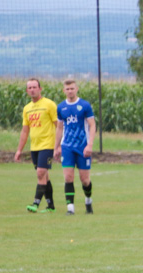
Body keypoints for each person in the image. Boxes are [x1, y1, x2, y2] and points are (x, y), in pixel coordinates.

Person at [15, 78, 58, 213]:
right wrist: (19, 150)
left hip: (48, 145)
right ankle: (51, 206)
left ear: (40, 89)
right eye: (30, 88)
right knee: (44, 176)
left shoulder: (49, 105)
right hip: (35, 147)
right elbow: (25, 130)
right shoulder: (27, 108)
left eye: (35, 87)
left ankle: (35, 203)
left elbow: (59, 126)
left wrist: (58, 146)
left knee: (40, 173)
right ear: (27, 91)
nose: (32, 89)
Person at [54, 79, 96, 215]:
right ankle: (70, 208)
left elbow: (92, 125)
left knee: (85, 179)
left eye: (72, 88)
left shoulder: (84, 105)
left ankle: (88, 200)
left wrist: (90, 145)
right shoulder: (61, 107)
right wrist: (56, 147)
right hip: (67, 147)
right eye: (67, 89)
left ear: (77, 89)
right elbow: (59, 128)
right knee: (68, 177)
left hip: (83, 147)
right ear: (64, 91)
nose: (70, 91)